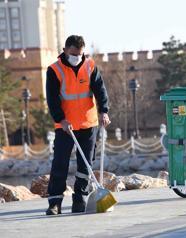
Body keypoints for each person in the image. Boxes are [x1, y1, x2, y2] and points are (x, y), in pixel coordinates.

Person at [45, 35, 110, 215]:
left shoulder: (90, 66)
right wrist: (61, 119)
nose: (77, 58)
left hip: (89, 124)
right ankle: (55, 202)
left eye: (80, 54)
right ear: (65, 50)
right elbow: (52, 99)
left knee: (86, 165)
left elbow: (100, 90)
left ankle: (80, 200)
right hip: (65, 126)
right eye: (73, 54)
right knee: (60, 163)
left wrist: (104, 111)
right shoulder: (54, 70)